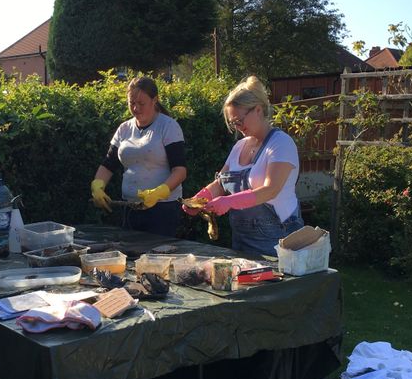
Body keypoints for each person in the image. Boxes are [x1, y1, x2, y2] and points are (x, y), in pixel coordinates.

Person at [183, 76, 303, 257]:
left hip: (278, 241)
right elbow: (220, 183)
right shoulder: (239, 146)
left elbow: (270, 190)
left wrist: (229, 202)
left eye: (239, 120)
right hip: (241, 240)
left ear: (258, 110)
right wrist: (198, 201)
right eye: (232, 123)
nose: (237, 127)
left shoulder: (281, 144)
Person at [90, 77, 187, 236]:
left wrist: (159, 192)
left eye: (141, 103)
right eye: (131, 103)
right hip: (130, 207)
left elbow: (180, 170)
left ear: (154, 100)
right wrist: (97, 186)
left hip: (162, 209)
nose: (136, 108)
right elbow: (108, 164)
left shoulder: (168, 126)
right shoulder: (124, 128)